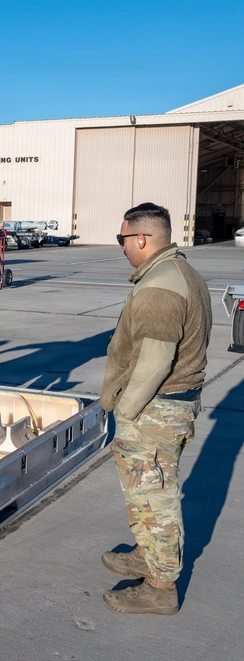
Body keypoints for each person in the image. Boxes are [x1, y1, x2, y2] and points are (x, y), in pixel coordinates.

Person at [99, 202, 211, 615]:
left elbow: (154, 362)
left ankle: (160, 587)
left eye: (122, 239)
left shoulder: (159, 287)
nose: (122, 246)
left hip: (155, 411)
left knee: (154, 498)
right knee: (146, 493)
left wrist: (125, 410)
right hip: (168, 408)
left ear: (141, 239)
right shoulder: (179, 272)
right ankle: (147, 556)